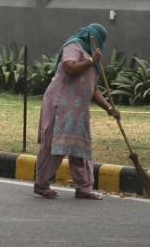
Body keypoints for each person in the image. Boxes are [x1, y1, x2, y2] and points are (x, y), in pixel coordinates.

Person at [33, 22, 120, 200]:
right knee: (54, 145)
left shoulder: (93, 58)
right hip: (60, 105)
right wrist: (91, 60)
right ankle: (41, 184)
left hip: (78, 111)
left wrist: (109, 109)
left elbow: (93, 89)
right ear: (91, 36)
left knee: (81, 147)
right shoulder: (75, 45)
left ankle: (84, 188)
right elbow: (70, 67)